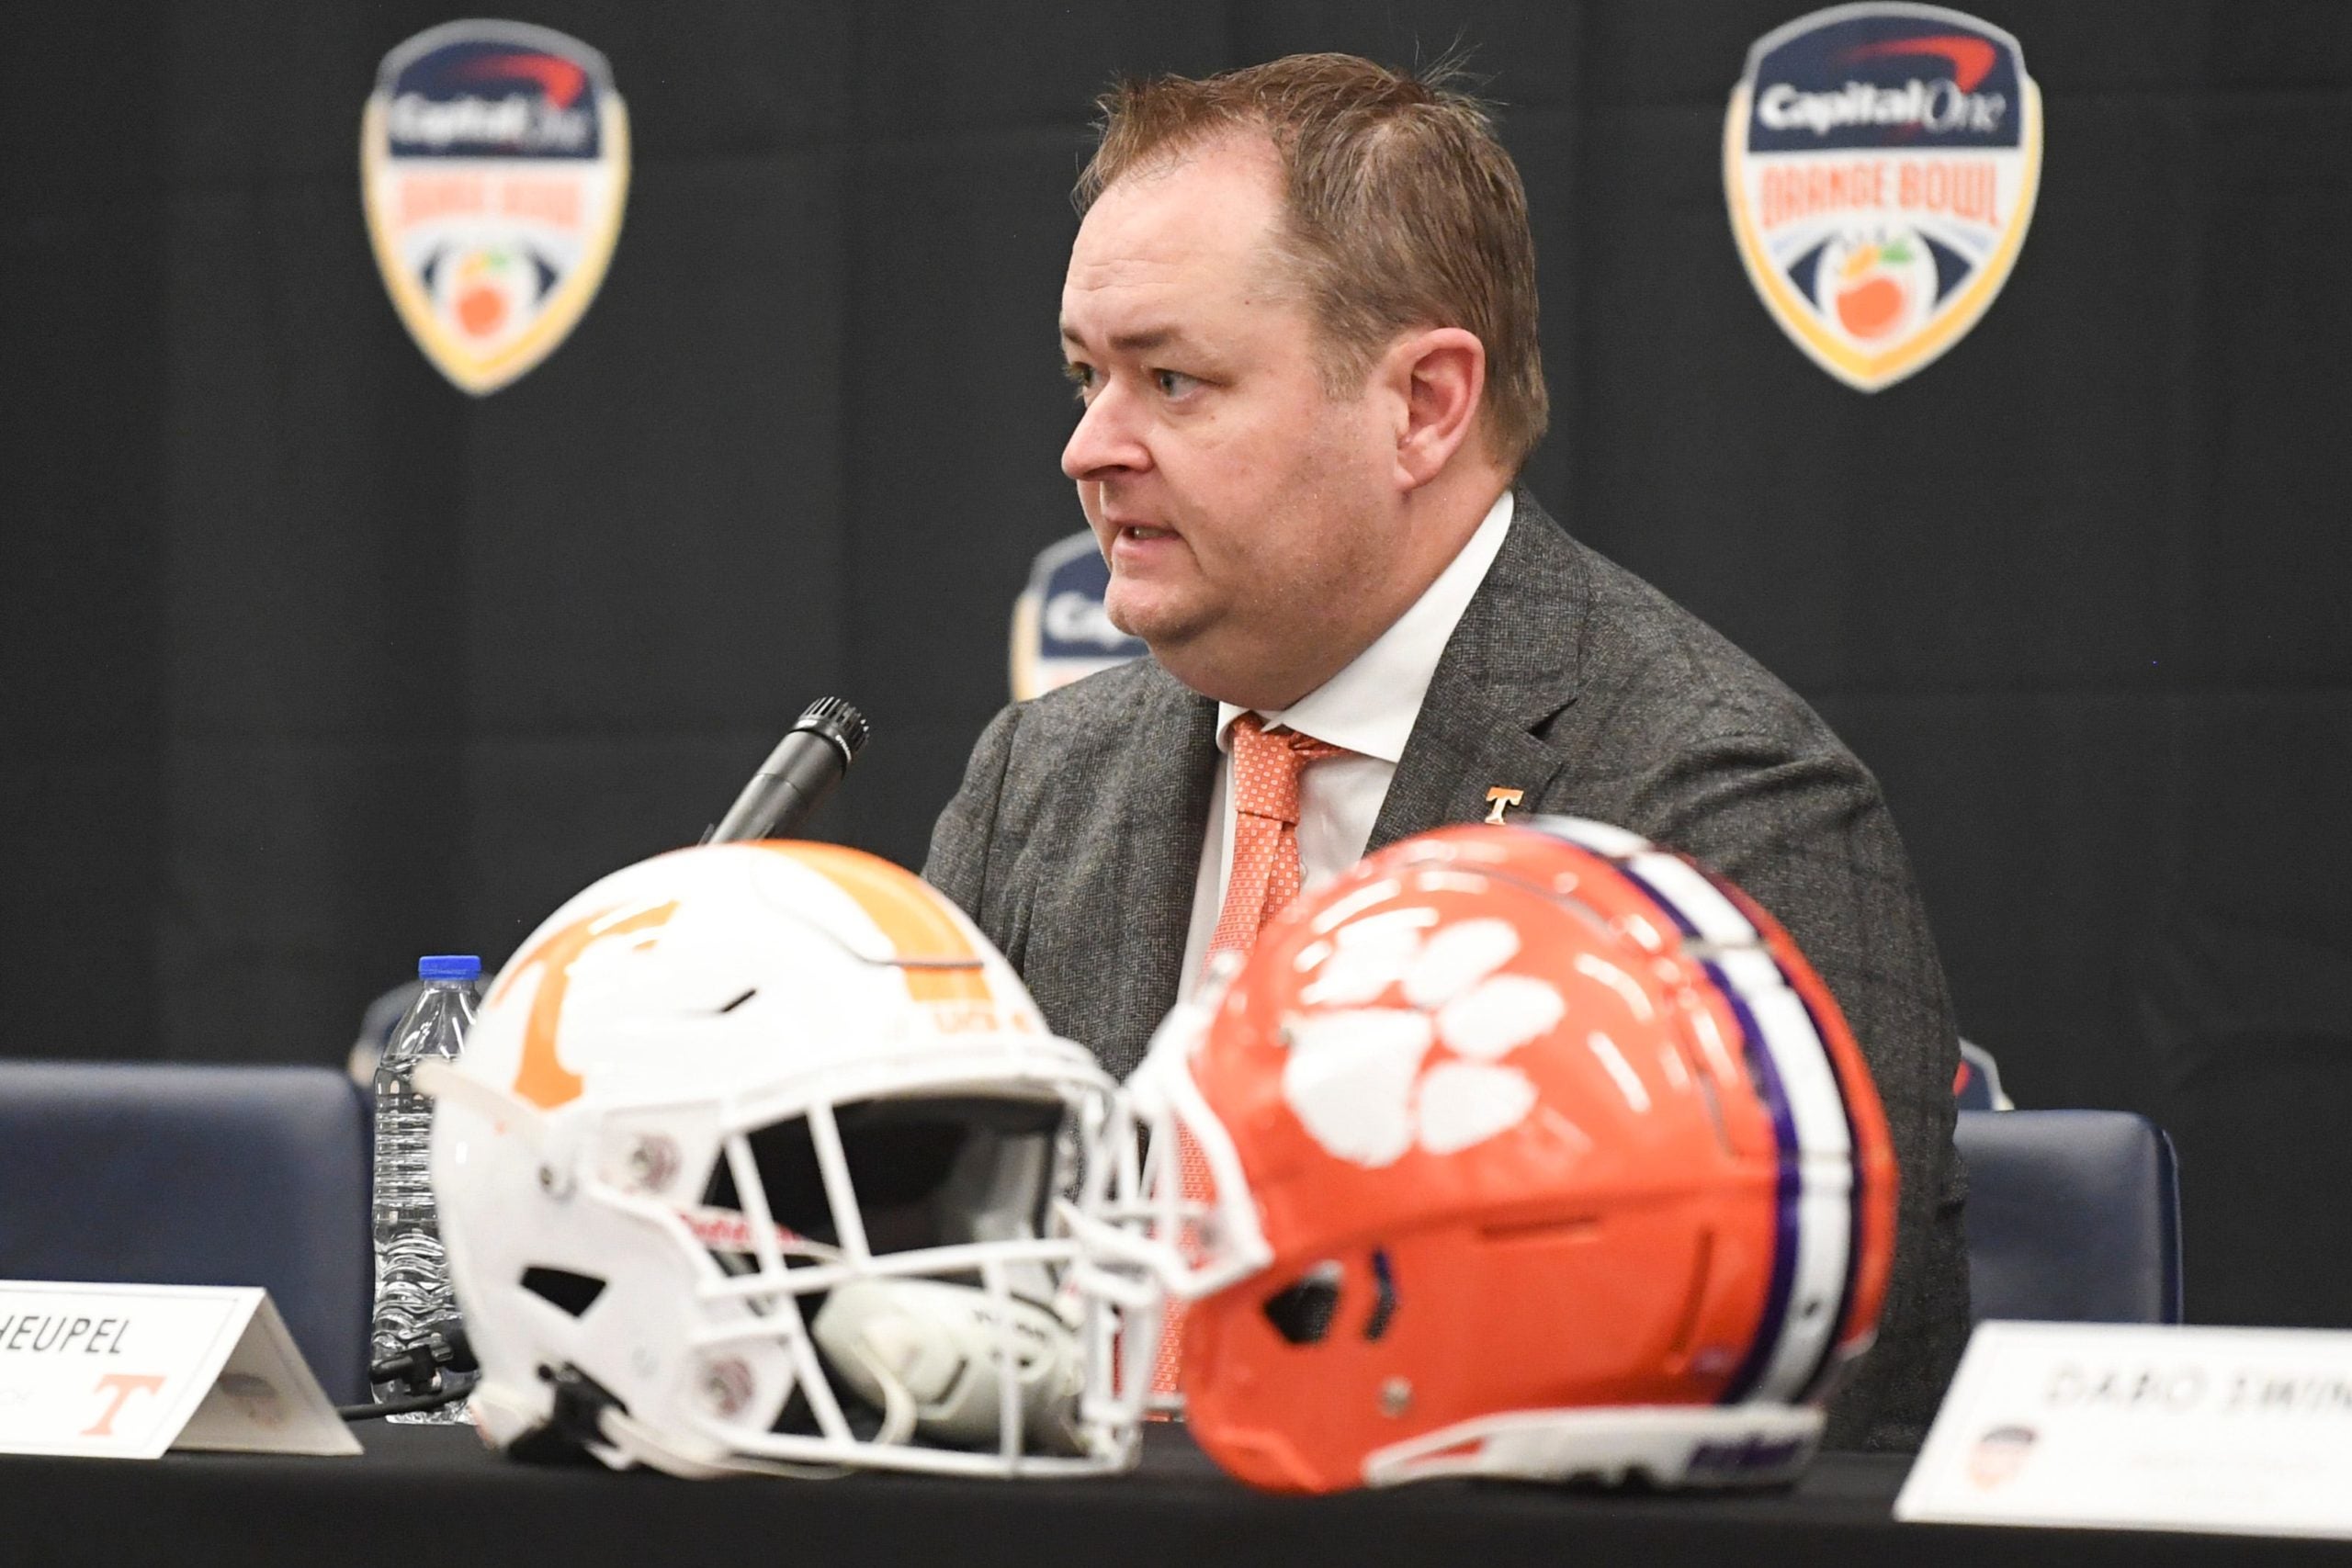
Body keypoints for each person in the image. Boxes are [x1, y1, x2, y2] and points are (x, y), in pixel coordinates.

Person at [923, 52, 1967, 1452]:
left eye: (1172, 380)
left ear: (1424, 404)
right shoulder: (1037, 782)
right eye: (1085, 379)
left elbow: (1810, 1429)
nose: (1090, 448)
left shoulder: (1719, 809)